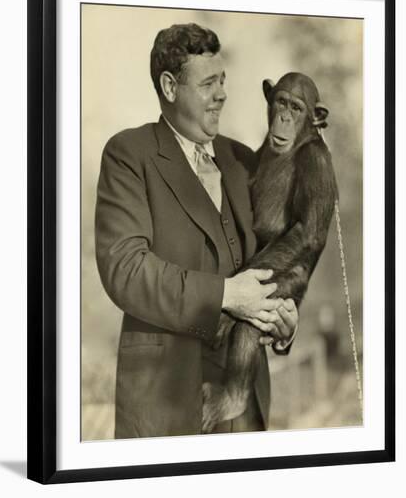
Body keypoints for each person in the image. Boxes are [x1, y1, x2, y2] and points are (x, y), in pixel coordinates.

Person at [95, 23, 298, 439]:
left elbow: (270, 262)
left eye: (222, 80)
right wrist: (228, 295)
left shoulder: (243, 159)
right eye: (208, 83)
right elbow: (126, 272)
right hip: (164, 406)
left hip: (244, 406)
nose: (222, 93)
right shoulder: (128, 154)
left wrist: (284, 317)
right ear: (170, 87)